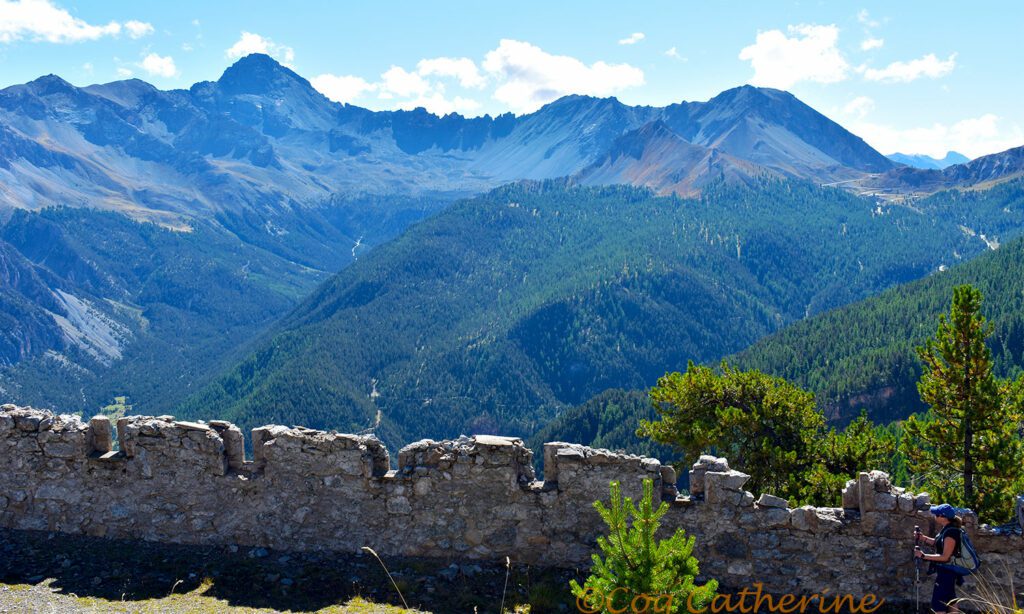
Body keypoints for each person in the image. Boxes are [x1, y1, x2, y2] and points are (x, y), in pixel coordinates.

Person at [914, 503, 964, 613]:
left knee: (938, 605)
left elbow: (945, 557)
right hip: (948, 572)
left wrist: (923, 555)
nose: (934, 516)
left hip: (946, 573)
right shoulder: (947, 529)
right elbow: (938, 543)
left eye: (936, 514)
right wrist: (923, 538)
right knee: (951, 600)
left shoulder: (951, 533)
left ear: (943, 517)